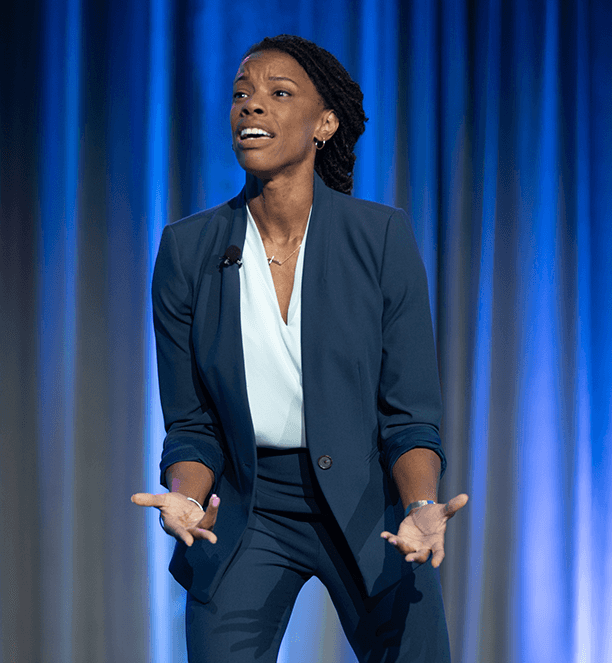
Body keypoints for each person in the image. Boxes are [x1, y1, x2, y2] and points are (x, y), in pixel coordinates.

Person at [131, 35, 466, 662]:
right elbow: (191, 423)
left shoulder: (380, 237)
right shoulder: (187, 250)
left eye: (279, 94)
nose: (251, 107)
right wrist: (186, 495)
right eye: (241, 95)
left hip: (368, 499)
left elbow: (410, 413)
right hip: (246, 504)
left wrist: (420, 505)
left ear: (325, 122)